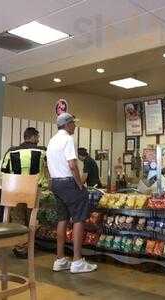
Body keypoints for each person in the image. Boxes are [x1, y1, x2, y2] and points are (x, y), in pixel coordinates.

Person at [47, 113, 97, 274]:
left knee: (62, 219)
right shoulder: (68, 139)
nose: (75, 126)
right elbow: (72, 165)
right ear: (67, 124)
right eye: (73, 124)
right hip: (69, 183)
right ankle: (77, 260)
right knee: (79, 219)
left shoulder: (52, 140)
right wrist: (79, 184)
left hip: (56, 183)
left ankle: (60, 259)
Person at [0, 127, 48, 258]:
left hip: (15, 191)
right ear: (32, 137)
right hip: (34, 190)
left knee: (17, 219)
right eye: (37, 137)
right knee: (32, 220)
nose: (38, 140)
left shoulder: (11, 151)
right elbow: (49, 169)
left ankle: (20, 247)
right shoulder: (42, 150)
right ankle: (30, 247)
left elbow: (3, 172)